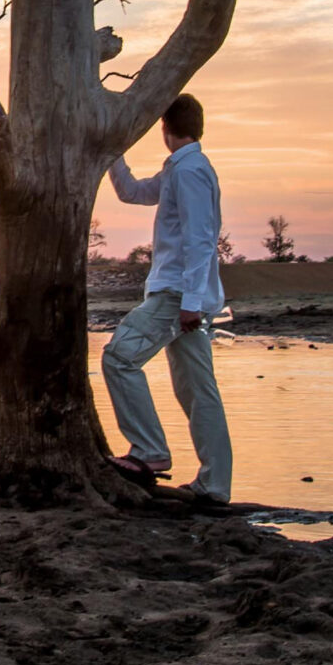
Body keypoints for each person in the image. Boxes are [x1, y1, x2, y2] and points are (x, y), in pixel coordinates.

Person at [100, 92, 233, 501]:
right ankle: (214, 485)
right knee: (197, 390)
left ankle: (150, 451)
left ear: (165, 128)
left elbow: (200, 239)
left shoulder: (190, 171)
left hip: (178, 295)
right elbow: (134, 193)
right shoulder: (182, 167)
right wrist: (112, 155)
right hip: (184, 295)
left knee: (119, 358)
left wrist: (192, 301)